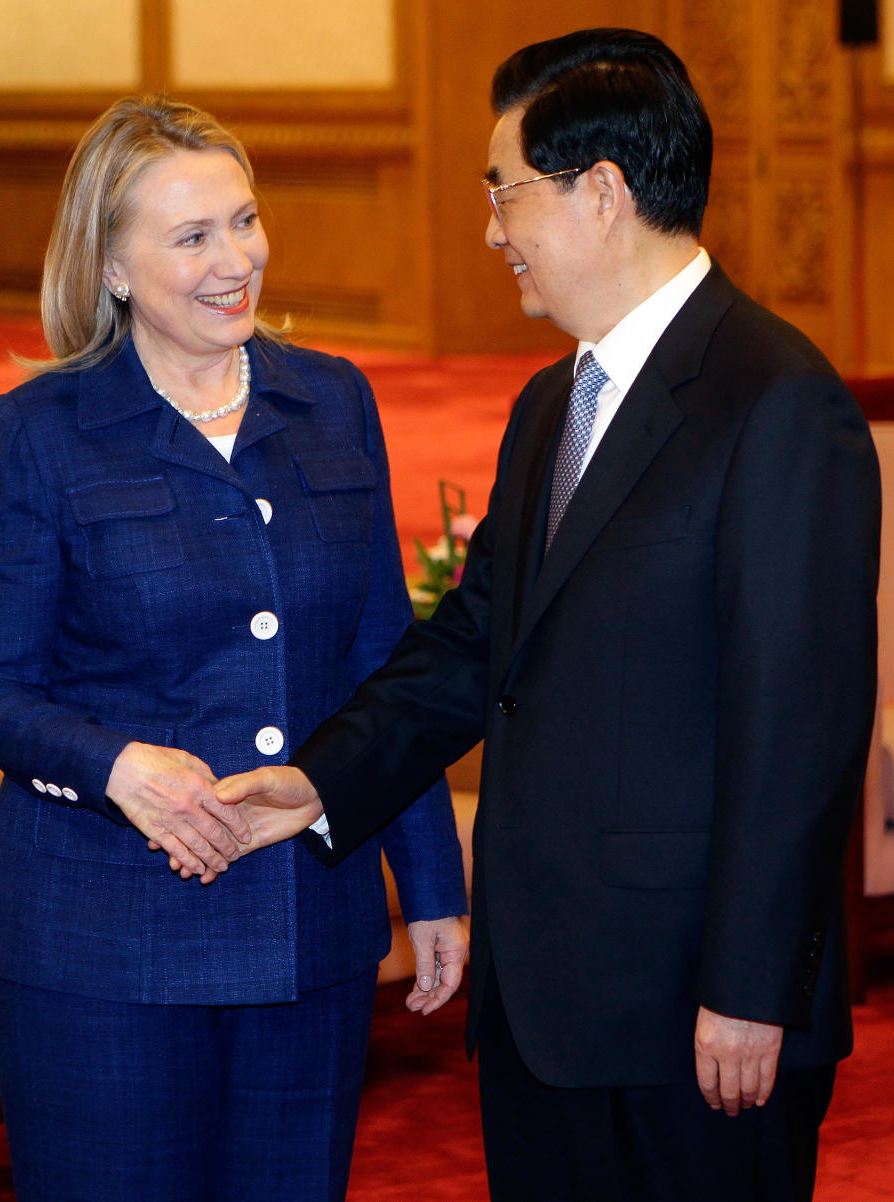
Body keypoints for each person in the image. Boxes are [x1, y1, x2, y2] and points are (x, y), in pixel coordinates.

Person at [207, 28, 881, 1202]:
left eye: (503, 192)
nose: (490, 231)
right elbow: (477, 644)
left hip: (693, 1016)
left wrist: (752, 986)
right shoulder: (548, 404)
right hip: (545, 1001)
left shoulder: (774, 401)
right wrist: (320, 780)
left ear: (602, 193)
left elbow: (801, 735)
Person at [0, 94, 468, 1202]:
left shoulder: (332, 400)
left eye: (245, 219)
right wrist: (117, 765)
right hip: (101, 943)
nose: (237, 260)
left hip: (304, 927)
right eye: (192, 237)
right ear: (115, 266)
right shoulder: (43, 431)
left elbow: (387, 665)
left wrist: (430, 886)